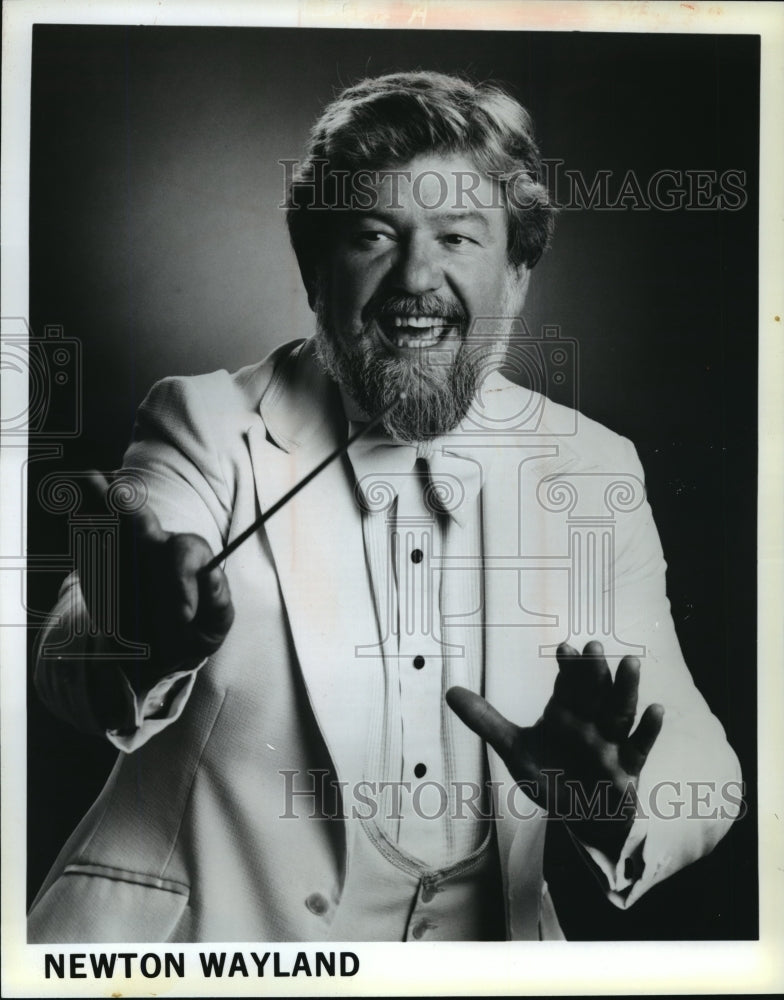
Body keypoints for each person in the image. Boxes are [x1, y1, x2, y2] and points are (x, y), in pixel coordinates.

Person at [28, 71, 741, 943]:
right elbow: (71, 649)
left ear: (517, 274)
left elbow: (700, 758)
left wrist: (614, 807)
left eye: (458, 237)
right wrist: (134, 635)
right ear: (313, 270)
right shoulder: (207, 423)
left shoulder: (591, 467)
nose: (416, 278)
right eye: (373, 234)